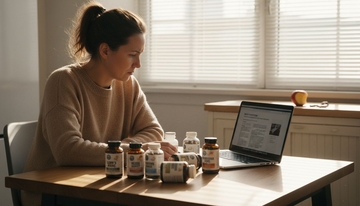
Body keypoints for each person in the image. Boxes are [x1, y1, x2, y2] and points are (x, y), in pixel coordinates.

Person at [21, 1, 177, 205]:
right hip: (54, 193)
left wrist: (125, 149)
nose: (138, 64)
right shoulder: (63, 81)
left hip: (97, 184)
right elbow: (67, 150)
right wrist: (134, 149)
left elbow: (154, 131)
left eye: (140, 55)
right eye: (132, 55)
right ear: (105, 51)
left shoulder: (128, 85)